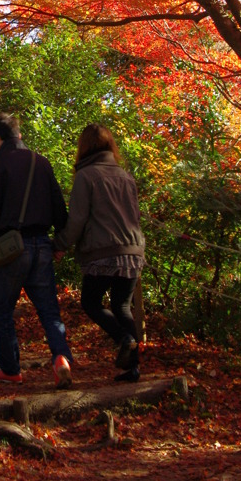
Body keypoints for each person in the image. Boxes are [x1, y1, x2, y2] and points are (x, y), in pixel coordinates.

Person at [0, 112, 73, 388]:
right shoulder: (40, 163)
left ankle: (11, 369)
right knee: (49, 311)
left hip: (11, 247)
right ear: (19, 134)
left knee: (4, 311)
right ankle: (61, 358)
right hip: (42, 243)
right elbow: (59, 209)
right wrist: (59, 243)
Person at [54, 123, 145, 383]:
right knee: (122, 306)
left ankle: (124, 339)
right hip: (133, 250)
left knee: (90, 303)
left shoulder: (86, 176)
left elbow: (78, 220)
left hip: (104, 252)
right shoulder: (125, 176)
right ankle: (133, 368)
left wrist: (59, 244)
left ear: (83, 147)